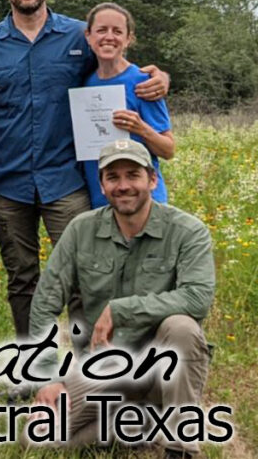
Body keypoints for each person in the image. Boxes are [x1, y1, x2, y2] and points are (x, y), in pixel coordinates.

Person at [0, 0, 170, 337]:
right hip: (8, 183)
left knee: (82, 274)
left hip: (67, 180)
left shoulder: (80, 36)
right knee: (22, 279)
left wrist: (159, 76)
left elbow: (120, 67)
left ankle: (83, 367)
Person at [27, 139, 214, 459]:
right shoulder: (80, 229)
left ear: (152, 180)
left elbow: (197, 298)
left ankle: (180, 447)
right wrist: (47, 377)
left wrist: (121, 309)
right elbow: (45, 302)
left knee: (182, 326)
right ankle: (132, 423)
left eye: (133, 175)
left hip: (160, 365)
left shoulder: (187, 230)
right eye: (113, 177)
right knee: (39, 439)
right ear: (102, 184)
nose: (124, 185)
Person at [81, 2, 174, 209]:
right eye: (101, 30)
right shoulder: (83, 82)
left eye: (117, 31)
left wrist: (140, 128)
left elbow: (168, 150)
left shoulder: (144, 82)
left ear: (128, 39)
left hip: (144, 202)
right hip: (99, 202)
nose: (109, 37)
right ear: (88, 36)